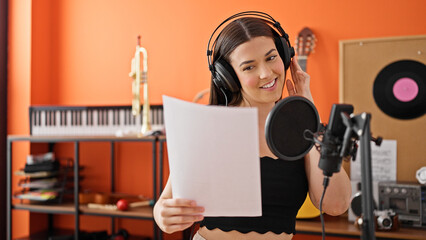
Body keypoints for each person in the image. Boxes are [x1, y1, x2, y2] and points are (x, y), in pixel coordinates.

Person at [153, 12, 351, 240]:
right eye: (249, 67)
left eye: (271, 58)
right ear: (228, 77)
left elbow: (336, 204)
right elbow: (164, 204)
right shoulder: (209, 125)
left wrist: (308, 111)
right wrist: (163, 215)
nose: (266, 73)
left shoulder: (301, 128)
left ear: (285, 56)